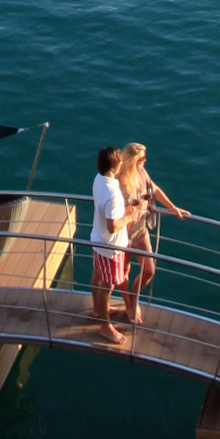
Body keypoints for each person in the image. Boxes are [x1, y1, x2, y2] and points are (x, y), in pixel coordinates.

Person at [115, 144, 190, 326]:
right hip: (124, 235)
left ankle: (134, 296)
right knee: (123, 272)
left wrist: (173, 208)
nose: (145, 160)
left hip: (140, 231)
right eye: (141, 158)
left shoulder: (142, 173)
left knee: (149, 270)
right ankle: (128, 305)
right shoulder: (118, 181)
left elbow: (154, 189)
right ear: (133, 161)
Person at [87, 147, 131, 348]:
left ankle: (97, 309)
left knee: (98, 274)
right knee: (108, 285)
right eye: (120, 162)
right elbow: (113, 226)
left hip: (98, 238)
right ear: (114, 166)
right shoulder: (113, 193)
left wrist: (124, 212)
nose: (122, 164)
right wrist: (130, 217)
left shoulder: (99, 180)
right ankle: (105, 326)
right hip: (110, 246)